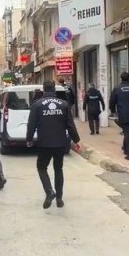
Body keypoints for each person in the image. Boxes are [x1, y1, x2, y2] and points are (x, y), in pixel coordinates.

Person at [26, 80, 81, 209]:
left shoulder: (37, 105)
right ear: (54, 89)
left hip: (44, 143)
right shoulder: (64, 104)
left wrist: (29, 139)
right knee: (58, 169)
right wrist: (76, 140)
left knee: (41, 167)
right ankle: (59, 199)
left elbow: (31, 125)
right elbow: (70, 125)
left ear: (44, 90)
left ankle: (49, 191)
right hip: (60, 143)